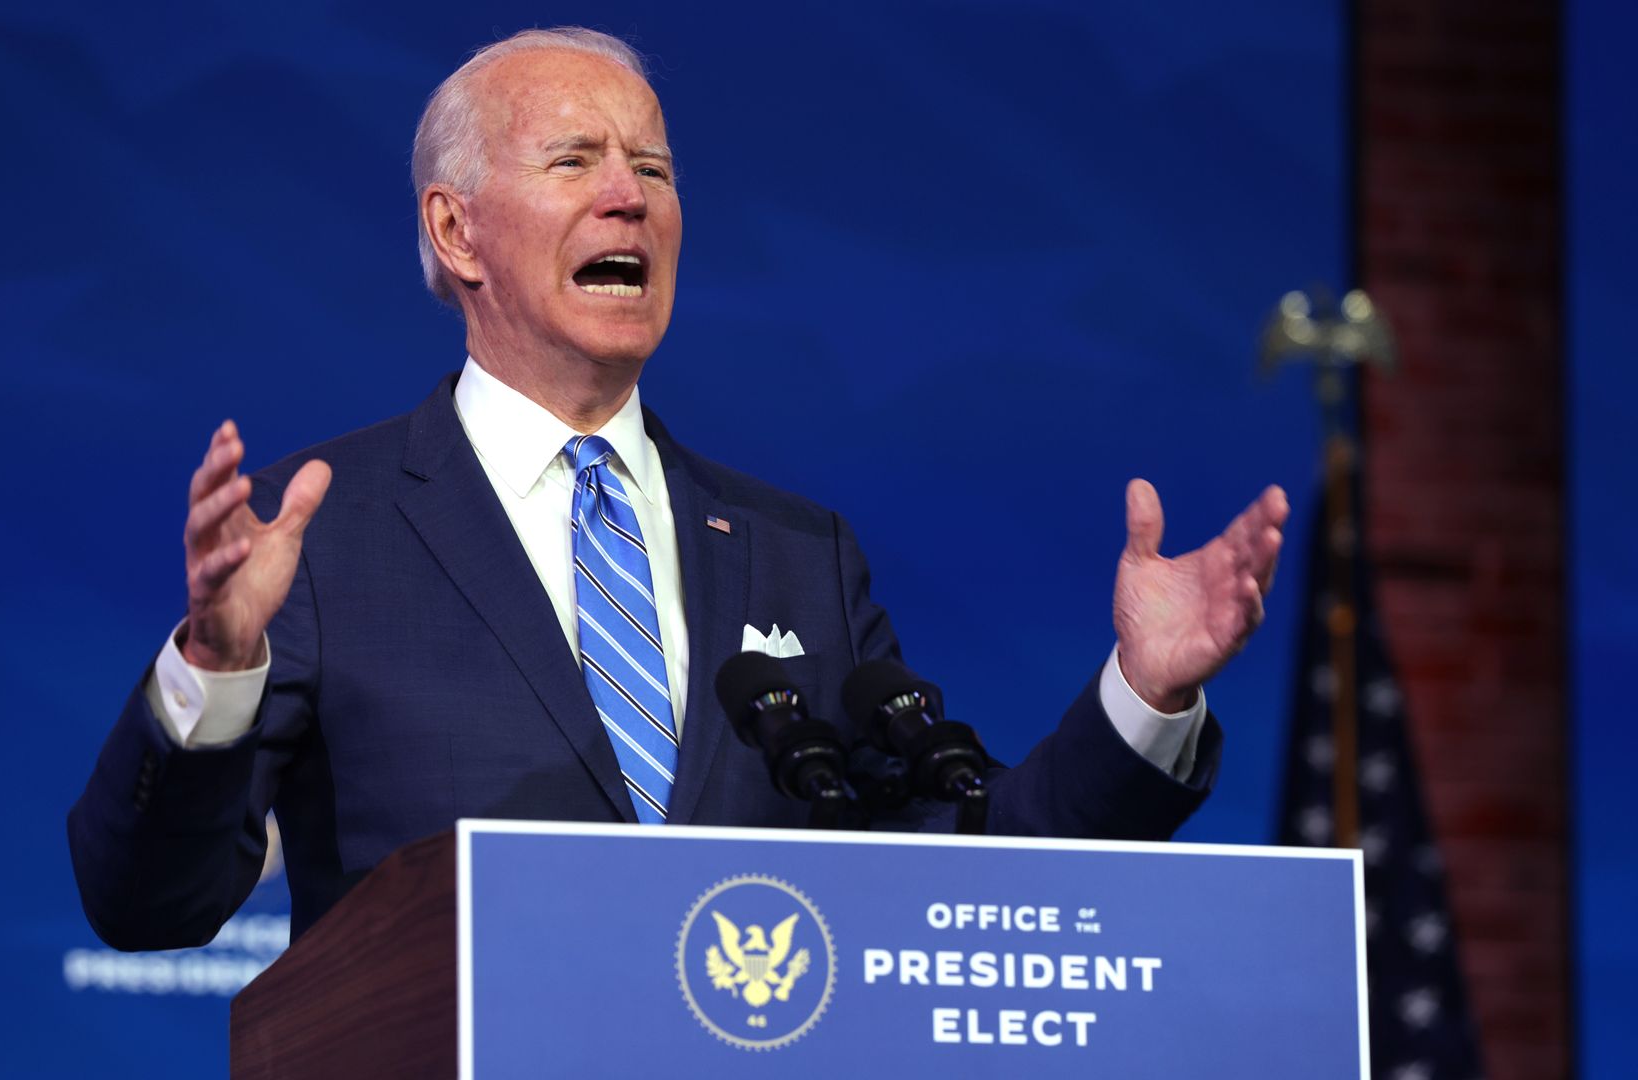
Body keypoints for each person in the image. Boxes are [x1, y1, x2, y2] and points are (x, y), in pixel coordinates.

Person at [67, 27, 1288, 951]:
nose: (630, 195)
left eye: (652, 166)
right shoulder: (326, 531)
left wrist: (1145, 698)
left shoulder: (798, 552)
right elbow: (148, 904)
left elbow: (966, 883)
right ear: (456, 232)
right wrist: (214, 670)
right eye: (575, 160)